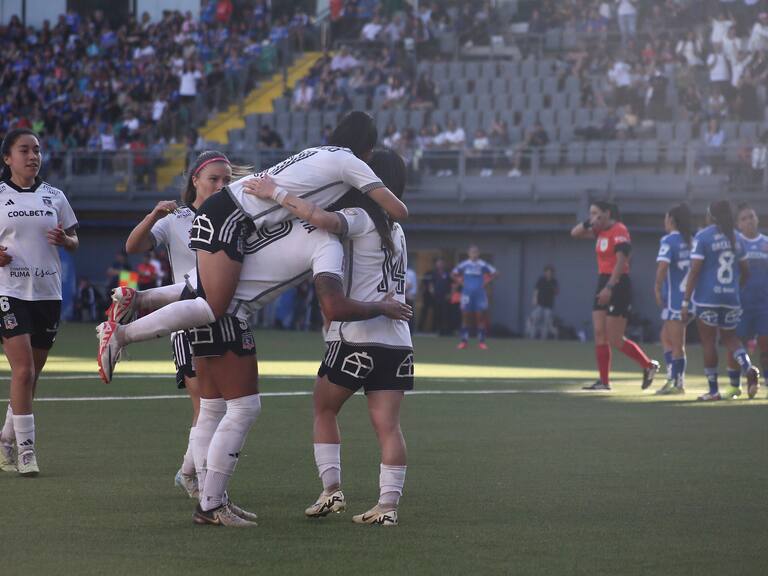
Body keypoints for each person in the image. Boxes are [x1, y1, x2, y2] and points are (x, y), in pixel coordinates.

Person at [96, 113, 410, 527]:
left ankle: (212, 497)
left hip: (214, 242)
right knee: (241, 405)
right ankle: (210, 503)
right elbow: (334, 293)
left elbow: (203, 283)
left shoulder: (291, 212)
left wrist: (143, 296)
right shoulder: (328, 238)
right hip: (231, 311)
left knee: (210, 407)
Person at [247, 149, 412, 525]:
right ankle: (387, 507)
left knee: (324, 408)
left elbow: (320, 218)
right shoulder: (397, 230)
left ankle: (331, 490)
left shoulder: (360, 217)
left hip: (357, 335)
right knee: (388, 427)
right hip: (398, 341)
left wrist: (275, 193)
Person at [122, 151, 249, 499]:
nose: (222, 185)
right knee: (205, 405)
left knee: (218, 405)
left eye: (227, 180)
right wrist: (152, 216)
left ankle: (190, 473)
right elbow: (132, 246)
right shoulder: (177, 216)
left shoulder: (234, 215)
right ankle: (204, 484)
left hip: (225, 319)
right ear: (195, 180)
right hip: (187, 320)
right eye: (214, 179)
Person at [0, 128, 79, 476]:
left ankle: (4, 437)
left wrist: (66, 238)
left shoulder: (55, 196)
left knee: (31, 376)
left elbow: (75, 240)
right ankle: (26, 452)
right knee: (23, 370)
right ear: (8, 158)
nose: (33, 156)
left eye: (37, 150)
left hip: (48, 292)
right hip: (10, 291)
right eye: (24, 150)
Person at [571, 201, 659, 391]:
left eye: (596, 213)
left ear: (607, 213)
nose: (593, 216)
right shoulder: (598, 231)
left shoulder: (619, 229)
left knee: (615, 338)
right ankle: (604, 382)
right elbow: (574, 233)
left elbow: (622, 260)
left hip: (617, 284)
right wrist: (589, 222)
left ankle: (649, 365)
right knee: (599, 333)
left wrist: (610, 287)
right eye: (590, 213)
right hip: (602, 281)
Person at [682, 200, 760, 401]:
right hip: (730, 298)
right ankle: (748, 367)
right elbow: (746, 271)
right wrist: (735, 287)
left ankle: (713, 390)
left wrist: (685, 302)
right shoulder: (736, 239)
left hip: (708, 298)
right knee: (731, 339)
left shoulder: (703, 237)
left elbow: (695, 271)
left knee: (709, 342)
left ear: (711, 216)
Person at [724, 203, 766, 398]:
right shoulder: (733, 243)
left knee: (766, 345)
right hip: (739, 305)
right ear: (738, 224)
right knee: (735, 344)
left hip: (764, 305)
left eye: (751, 216)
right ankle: (734, 386)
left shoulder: (766, 243)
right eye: (744, 218)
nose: (749, 221)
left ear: (757, 219)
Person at [653, 204, 693, 395]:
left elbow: (662, 267)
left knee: (677, 344)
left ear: (672, 220)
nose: (664, 221)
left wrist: (657, 288)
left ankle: (677, 383)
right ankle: (673, 378)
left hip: (675, 298)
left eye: (666, 217)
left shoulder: (669, 240)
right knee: (666, 337)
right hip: (689, 298)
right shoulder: (692, 241)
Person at [452, 245, 498, 350]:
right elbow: (453, 274)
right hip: (466, 294)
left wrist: (486, 281)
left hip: (479, 294)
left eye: (476, 252)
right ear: (469, 253)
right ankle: (464, 341)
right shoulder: (464, 265)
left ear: (478, 253)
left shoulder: (482, 264)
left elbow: (495, 273)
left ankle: (481, 342)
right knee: (465, 316)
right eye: (472, 252)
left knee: (480, 317)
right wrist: (461, 282)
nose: (474, 254)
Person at [419, 257, 451, 334]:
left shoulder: (447, 273)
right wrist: (431, 291)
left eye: (441, 263)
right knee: (436, 313)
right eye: (438, 263)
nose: (440, 265)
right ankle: (435, 329)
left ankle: (444, 330)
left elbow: (450, 284)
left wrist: (449, 294)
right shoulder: (432, 273)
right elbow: (430, 284)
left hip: (445, 297)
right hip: (435, 297)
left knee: (445, 314)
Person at [529, 266, 558, 340]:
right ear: (545, 272)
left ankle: (543, 338)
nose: (549, 274)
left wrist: (553, 287)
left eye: (550, 272)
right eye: (547, 272)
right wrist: (534, 298)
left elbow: (556, 292)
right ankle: (532, 337)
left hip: (549, 305)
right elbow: (536, 290)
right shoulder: (541, 280)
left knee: (546, 322)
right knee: (535, 320)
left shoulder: (554, 281)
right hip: (540, 304)